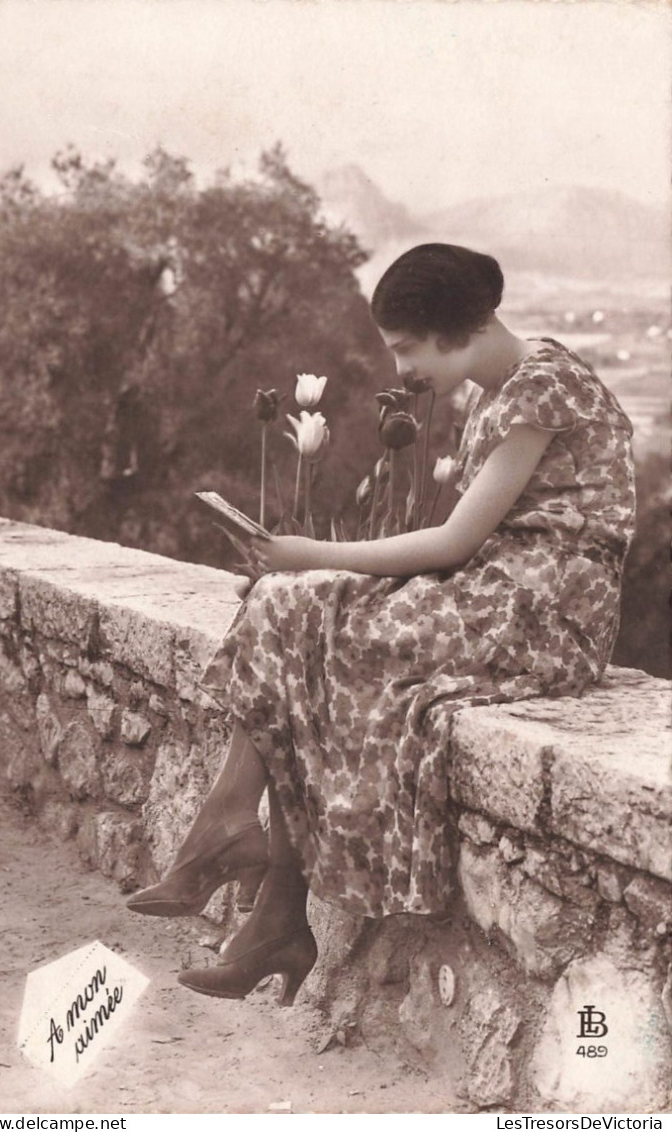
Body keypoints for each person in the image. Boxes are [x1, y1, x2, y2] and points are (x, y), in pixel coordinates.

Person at [127, 243, 636, 1006]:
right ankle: (245, 857)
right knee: (284, 606)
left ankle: (260, 893)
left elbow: (455, 541)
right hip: (493, 592)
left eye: (404, 348)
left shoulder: (544, 389)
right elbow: (462, 551)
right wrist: (301, 572)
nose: (398, 370)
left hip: (544, 612)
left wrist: (305, 552)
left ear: (451, 328)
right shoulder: (495, 389)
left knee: (320, 620)